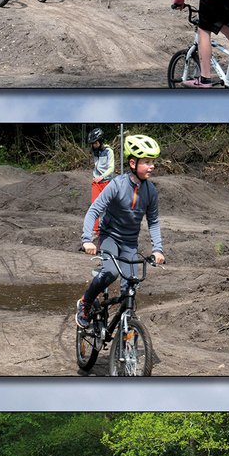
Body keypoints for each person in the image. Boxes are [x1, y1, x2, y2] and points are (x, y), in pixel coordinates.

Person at [75, 135, 166, 328]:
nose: (152, 166)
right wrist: (87, 240)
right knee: (110, 273)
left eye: (153, 162)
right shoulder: (117, 185)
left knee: (132, 284)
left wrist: (158, 249)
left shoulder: (151, 192)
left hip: (130, 243)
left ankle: (126, 332)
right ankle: (86, 303)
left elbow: (154, 221)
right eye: (147, 162)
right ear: (133, 163)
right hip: (110, 237)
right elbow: (94, 211)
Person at [87, 128, 115, 239]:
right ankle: (94, 231)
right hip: (96, 183)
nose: (94, 145)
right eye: (92, 144)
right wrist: (96, 178)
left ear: (101, 141)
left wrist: (102, 177)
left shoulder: (109, 151)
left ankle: (106, 230)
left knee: (107, 207)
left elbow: (111, 168)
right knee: (95, 206)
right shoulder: (94, 151)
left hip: (107, 182)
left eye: (95, 143)